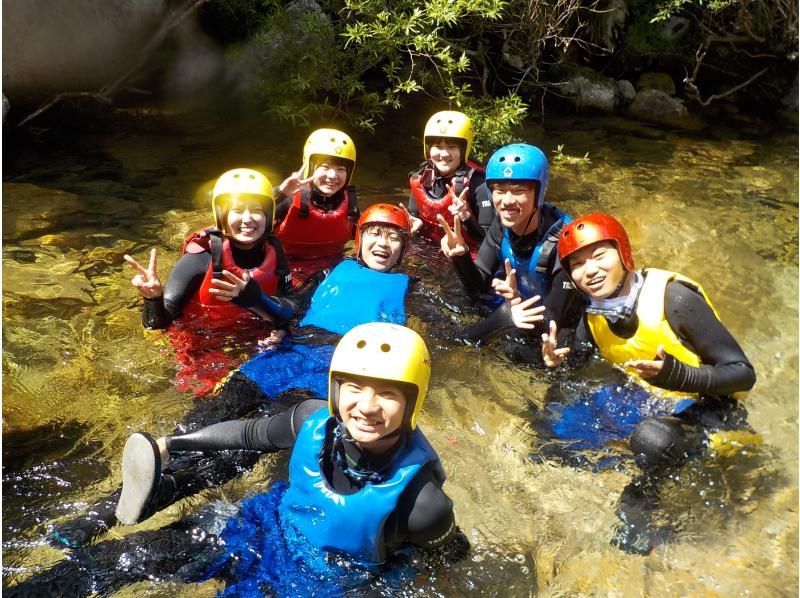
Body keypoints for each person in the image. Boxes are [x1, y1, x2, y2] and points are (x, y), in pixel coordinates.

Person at [50, 203, 456, 547]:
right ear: (359, 236)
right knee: (201, 422)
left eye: (393, 237)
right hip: (284, 353)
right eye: (375, 234)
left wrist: (501, 317)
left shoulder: (412, 288)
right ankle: (102, 513)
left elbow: (457, 334)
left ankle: (170, 492)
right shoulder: (329, 274)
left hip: (333, 372)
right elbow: (288, 309)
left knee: (247, 444)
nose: (382, 244)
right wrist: (254, 298)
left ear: (404, 246)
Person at [11, 324, 463, 598]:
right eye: (354, 388)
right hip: (256, 526)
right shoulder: (311, 419)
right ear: (334, 389)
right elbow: (250, 433)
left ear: (414, 402)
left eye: (388, 393)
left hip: (317, 585)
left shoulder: (423, 504)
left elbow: (447, 556)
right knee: (121, 557)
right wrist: (176, 445)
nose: (366, 406)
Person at [541, 212, 757, 553]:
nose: (590, 271)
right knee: (553, 429)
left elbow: (743, 372)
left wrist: (680, 376)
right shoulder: (595, 310)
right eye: (578, 265)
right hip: (648, 396)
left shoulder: (675, 299)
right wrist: (556, 364)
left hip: (710, 404)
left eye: (599, 256)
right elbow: (578, 368)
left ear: (623, 252)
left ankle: (648, 506)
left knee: (652, 439)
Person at [123, 167, 295, 395]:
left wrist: (277, 327)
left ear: (268, 216)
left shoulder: (275, 250)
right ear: (221, 216)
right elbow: (158, 326)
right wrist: (152, 298)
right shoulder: (199, 258)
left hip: (254, 342)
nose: (247, 219)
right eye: (237, 211)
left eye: (256, 211)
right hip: (202, 349)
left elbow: (290, 307)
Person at [438, 143, 580, 352]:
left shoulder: (566, 240)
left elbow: (553, 322)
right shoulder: (501, 225)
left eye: (519, 191)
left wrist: (509, 311)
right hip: (519, 306)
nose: (507, 201)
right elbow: (476, 289)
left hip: (557, 320)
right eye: (500, 191)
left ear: (538, 194)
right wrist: (461, 255)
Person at [273, 128, 360, 283]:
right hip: (285, 270)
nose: (332, 176)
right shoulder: (288, 198)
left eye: (341, 169)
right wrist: (279, 193)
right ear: (310, 167)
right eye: (325, 167)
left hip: (331, 269)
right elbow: (249, 219)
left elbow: (365, 237)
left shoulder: (350, 202)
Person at [405, 110, 493, 248]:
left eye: (452, 147)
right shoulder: (421, 178)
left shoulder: (478, 184)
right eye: (438, 147)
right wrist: (411, 224)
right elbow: (412, 216)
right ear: (428, 149)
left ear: (464, 150)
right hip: (428, 253)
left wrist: (467, 218)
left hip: (466, 254)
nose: (444, 154)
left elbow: (490, 238)